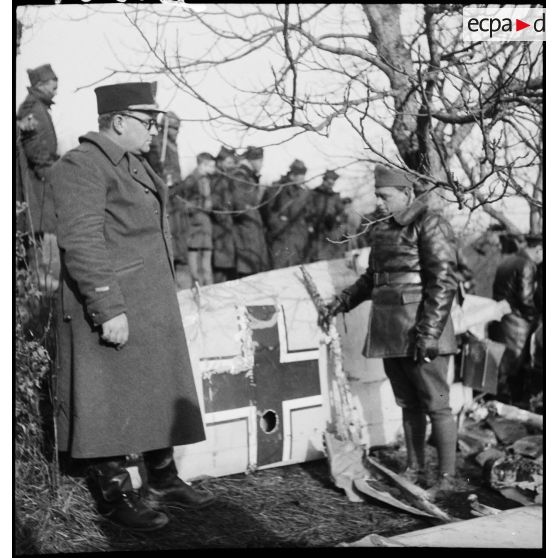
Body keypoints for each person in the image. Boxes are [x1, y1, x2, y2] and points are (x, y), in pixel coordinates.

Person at [50, 82, 214, 532]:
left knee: (154, 387)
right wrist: (107, 307)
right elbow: (81, 241)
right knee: (107, 399)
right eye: (147, 123)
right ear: (118, 121)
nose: (154, 132)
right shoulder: (83, 165)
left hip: (147, 301)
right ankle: (115, 494)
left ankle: (161, 478)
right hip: (113, 304)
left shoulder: (133, 164)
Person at [322, 164, 459, 499]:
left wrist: (427, 334)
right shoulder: (382, 229)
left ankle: (447, 479)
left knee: (438, 404)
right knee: (408, 404)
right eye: (378, 196)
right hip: (389, 331)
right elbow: (373, 278)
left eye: (385, 195)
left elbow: (443, 283)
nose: (380, 202)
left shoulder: (431, 223)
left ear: (407, 192)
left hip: (423, 333)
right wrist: (341, 301)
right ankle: (415, 468)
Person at [17, 63, 60, 290]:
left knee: (37, 230)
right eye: (53, 86)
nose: (56, 90)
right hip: (33, 181)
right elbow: (36, 150)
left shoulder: (38, 107)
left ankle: (36, 277)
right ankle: (35, 279)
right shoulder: (32, 108)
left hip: (38, 177)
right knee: (32, 229)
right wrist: (52, 175)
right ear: (40, 85)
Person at [488, 233, 543, 403]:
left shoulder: (507, 260)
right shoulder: (527, 264)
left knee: (501, 365)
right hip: (517, 324)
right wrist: (535, 316)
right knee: (515, 367)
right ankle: (510, 405)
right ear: (539, 250)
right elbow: (525, 298)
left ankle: (497, 401)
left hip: (501, 318)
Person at [145, 111, 189, 288]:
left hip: (177, 195)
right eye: (173, 127)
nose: (176, 131)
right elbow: (154, 158)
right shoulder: (158, 142)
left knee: (180, 234)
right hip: (165, 194)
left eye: (178, 128)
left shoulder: (172, 144)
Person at [260, 159, 312, 269]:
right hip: (280, 239)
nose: (303, 179)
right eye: (300, 175)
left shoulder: (304, 193)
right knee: (278, 273)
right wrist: (277, 225)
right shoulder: (277, 188)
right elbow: (266, 211)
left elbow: (308, 215)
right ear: (292, 175)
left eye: (303, 175)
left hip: (297, 240)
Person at [175, 152, 216, 286]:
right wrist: (196, 207)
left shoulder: (205, 179)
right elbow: (181, 200)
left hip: (205, 222)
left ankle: (208, 288)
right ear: (202, 165)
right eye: (210, 166)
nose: (213, 169)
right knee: (194, 255)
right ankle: (197, 286)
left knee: (206, 260)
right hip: (195, 223)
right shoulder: (192, 179)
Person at [228, 146, 270, 277]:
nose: (262, 165)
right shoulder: (241, 175)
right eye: (260, 161)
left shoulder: (248, 175)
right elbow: (240, 204)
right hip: (246, 229)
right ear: (253, 160)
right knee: (247, 271)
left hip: (250, 228)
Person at [210, 146, 237, 283]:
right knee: (221, 271)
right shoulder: (217, 180)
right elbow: (215, 204)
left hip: (226, 228)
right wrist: (225, 215)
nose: (231, 166)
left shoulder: (225, 179)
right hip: (220, 229)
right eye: (228, 162)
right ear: (220, 162)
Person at [308, 170, 346, 262]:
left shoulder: (335, 196)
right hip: (317, 228)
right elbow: (309, 210)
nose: (331, 184)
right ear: (324, 180)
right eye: (329, 182)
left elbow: (341, 212)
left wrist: (337, 219)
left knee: (332, 256)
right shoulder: (314, 193)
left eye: (333, 183)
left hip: (331, 228)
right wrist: (311, 223)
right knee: (317, 256)